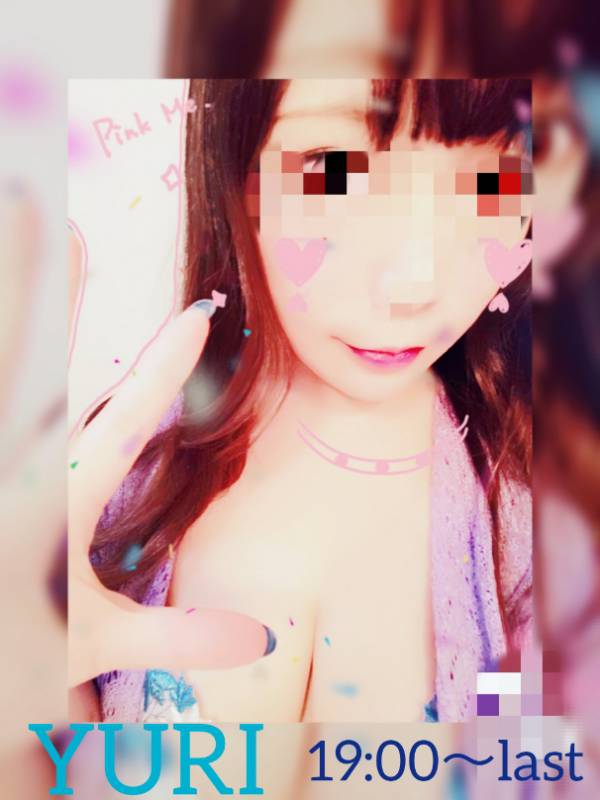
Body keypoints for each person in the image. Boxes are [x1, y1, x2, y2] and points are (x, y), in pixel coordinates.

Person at [70, 77, 533, 723]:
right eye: (331, 171)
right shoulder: (102, 487)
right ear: (233, 161)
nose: (412, 285)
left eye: (491, 182)